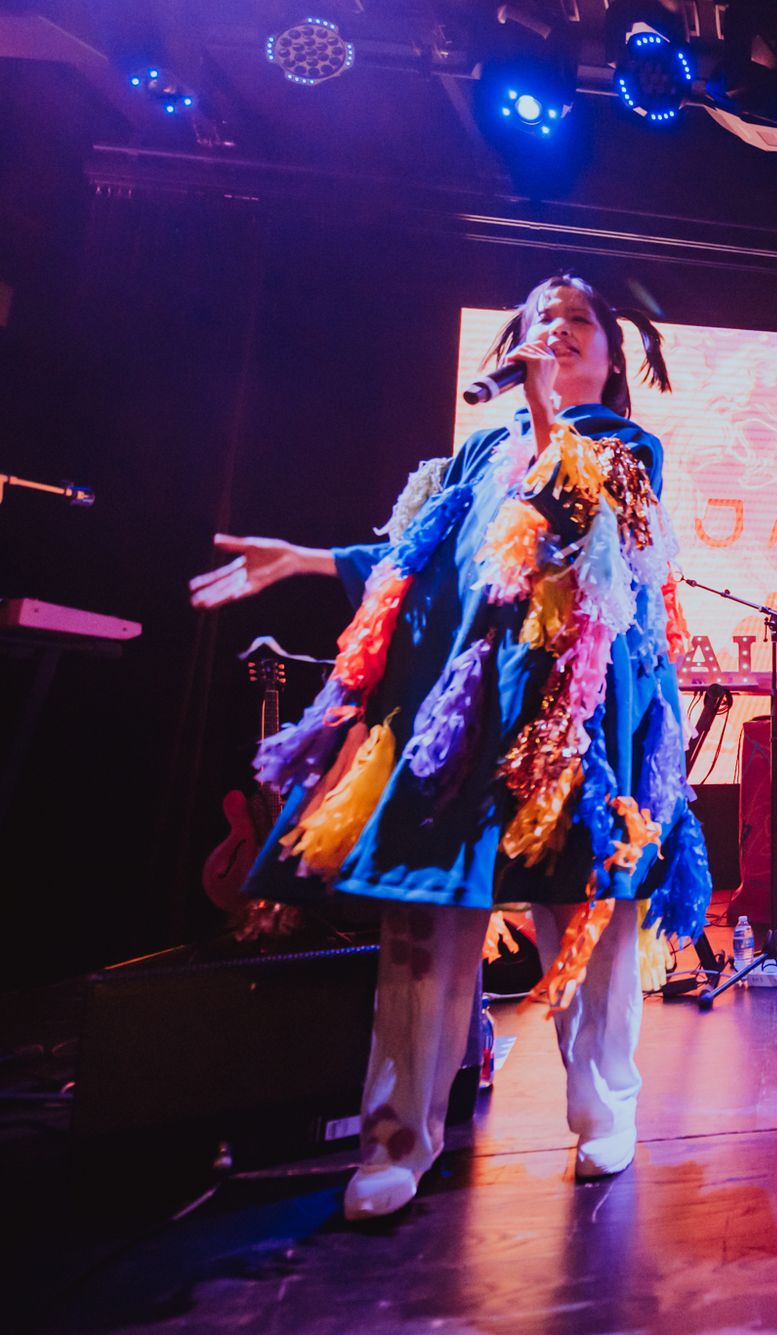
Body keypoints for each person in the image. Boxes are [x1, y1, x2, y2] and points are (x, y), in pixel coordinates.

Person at [189, 273, 711, 1218]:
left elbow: (576, 522)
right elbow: (421, 562)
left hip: (574, 714)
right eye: (541, 317)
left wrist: (547, 416)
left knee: (584, 915)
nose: (556, 329)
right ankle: (398, 1141)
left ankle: (603, 1110)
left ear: (611, 359)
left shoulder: (628, 445)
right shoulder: (475, 454)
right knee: (423, 922)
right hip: (463, 704)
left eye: (577, 320)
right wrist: (309, 560)